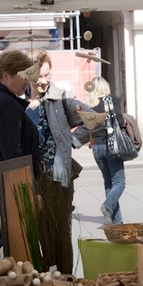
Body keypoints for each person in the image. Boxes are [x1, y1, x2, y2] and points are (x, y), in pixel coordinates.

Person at [24, 48, 89, 273]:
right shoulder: (19, 102)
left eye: (47, 75)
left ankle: (64, 277)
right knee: (34, 236)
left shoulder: (61, 98)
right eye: (38, 76)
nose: (43, 81)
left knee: (59, 234)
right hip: (30, 180)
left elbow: (93, 119)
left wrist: (71, 142)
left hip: (58, 179)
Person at [84, 77, 127, 225]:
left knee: (109, 183)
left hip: (96, 148)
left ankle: (116, 222)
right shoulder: (110, 100)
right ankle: (108, 206)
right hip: (111, 146)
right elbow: (119, 121)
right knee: (119, 182)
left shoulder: (89, 105)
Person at [0, 48, 38, 166]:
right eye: (23, 76)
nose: (27, 82)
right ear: (6, 76)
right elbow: (12, 155)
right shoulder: (7, 104)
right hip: (10, 174)